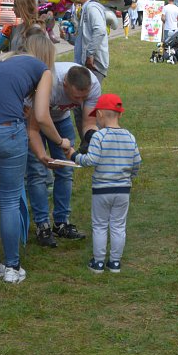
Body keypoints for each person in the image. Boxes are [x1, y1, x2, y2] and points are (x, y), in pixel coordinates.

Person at [0, 28, 69, 285]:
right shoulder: (42, 70)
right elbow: (43, 117)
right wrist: (60, 141)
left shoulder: (1, 61)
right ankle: (12, 267)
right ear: (47, 54)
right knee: (10, 200)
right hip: (6, 133)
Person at [26, 63, 100, 247]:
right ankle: (42, 225)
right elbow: (34, 127)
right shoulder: (50, 82)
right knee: (37, 172)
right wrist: (49, 150)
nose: (81, 100)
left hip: (61, 118)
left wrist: (93, 139)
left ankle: (61, 223)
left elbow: (88, 122)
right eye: (77, 97)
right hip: (34, 119)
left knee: (66, 170)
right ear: (65, 84)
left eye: (85, 97)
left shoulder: (94, 86)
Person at [67, 93, 141, 274]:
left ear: (99, 115)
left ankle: (98, 262)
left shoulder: (99, 137)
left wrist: (73, 156)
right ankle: (115, 262)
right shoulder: (130, 137)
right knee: (118, 225)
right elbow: (136, 162)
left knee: (100, 224)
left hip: (102, 190)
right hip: (123, 190)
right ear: (120, 114)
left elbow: (91, 160)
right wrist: (130, 177)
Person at [71, 0, 109, 83]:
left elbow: (100, 30)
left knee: (89, 98)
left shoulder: (91, 8)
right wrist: (67, 37)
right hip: (87, 64)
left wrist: (90, 54)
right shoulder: (85, 9)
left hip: (93, 65)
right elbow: (83, 39)